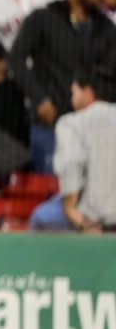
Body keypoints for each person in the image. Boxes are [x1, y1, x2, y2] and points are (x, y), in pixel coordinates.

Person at [8, 0, 116, 173]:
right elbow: (16, 59)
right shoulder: (44, 17)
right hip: (51, 124)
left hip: (95, 126)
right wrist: (39, 99)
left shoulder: (106, 27)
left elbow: (112, 72)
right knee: (52, 188)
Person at [30, 68, 116, 231]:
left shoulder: (71, 123)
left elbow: (71, 164)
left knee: (41, 218)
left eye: (74, 92)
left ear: (87, 92)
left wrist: (72, 211)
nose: (72, 99)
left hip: (94, 220)